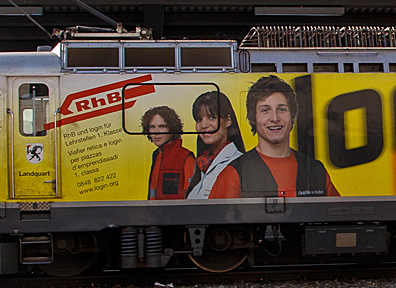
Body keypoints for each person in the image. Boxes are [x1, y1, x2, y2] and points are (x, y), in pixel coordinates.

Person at [209, 75, 339, 198]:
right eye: (265, 110)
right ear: (253, 118)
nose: (275, 118)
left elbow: (337, 217)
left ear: (293, 115)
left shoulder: (316, 170)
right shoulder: (232, 174)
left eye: (282, 109)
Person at [185, 90, 244, 199]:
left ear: (228, 121)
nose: (203, 125)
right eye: (199, 119)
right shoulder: (201, 164)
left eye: (211, 117)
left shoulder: (239, 163)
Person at [142, 105, 195, 200]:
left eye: (162, 126)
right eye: (152, 127)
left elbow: (192, 197)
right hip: (154, 213)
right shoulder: (156, 156)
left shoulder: (185, 157)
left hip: (177, 214)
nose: (156, 132)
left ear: (172, 128)